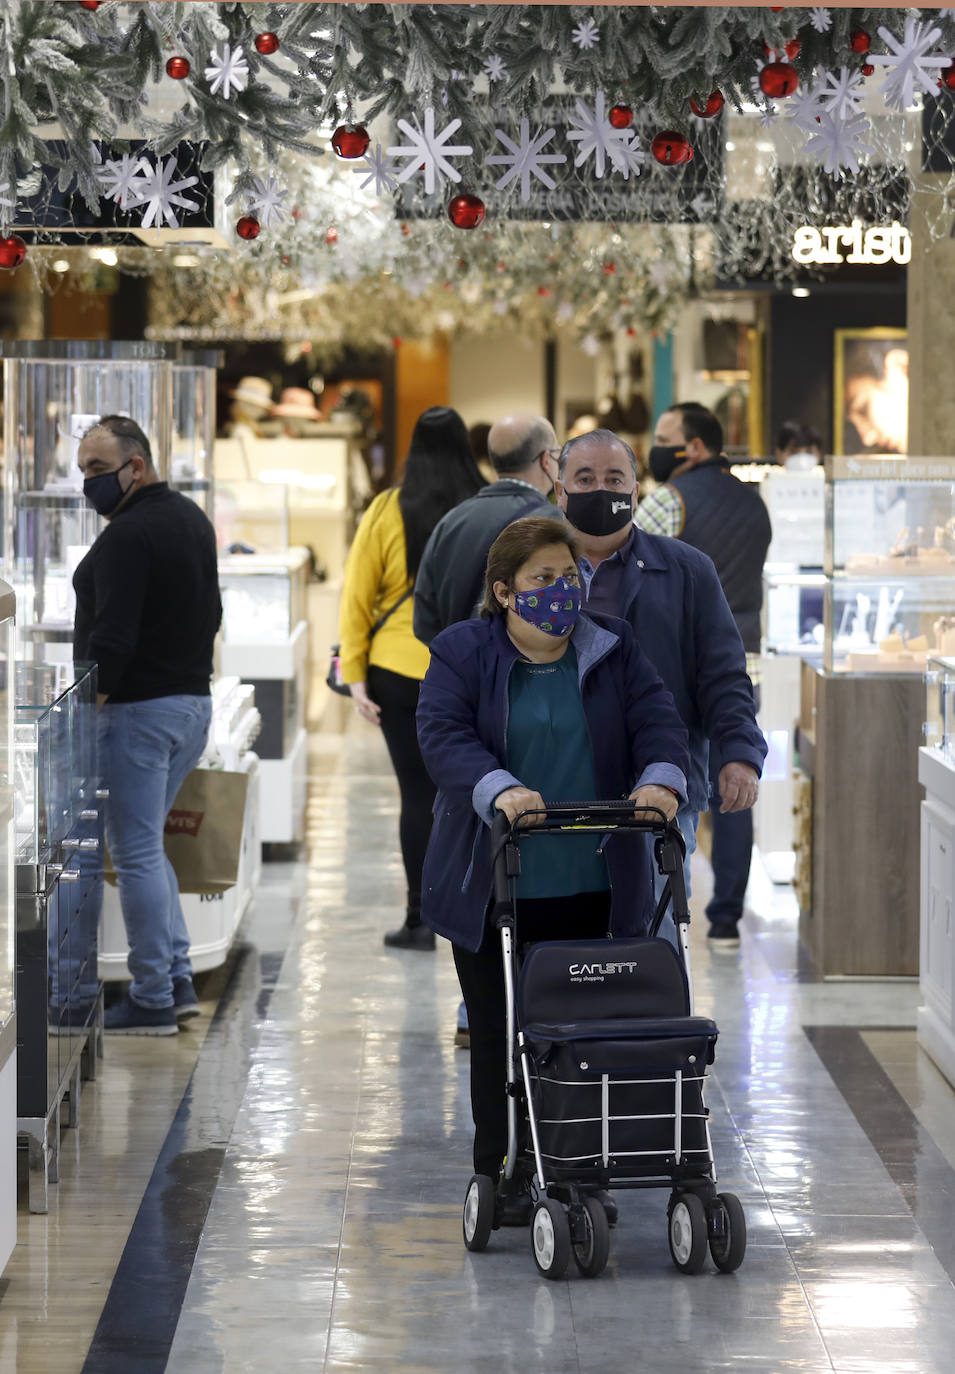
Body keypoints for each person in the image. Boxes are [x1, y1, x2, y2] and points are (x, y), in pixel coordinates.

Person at [416, 516, 689, 1216]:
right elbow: (443, 737)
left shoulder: (613, 648)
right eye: (542, 580)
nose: (561, 592)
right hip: (495, 881)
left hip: (595, 880)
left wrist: (659, 777)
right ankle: (501, 1168)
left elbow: (658, 721)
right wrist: (500, 790)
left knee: (587, 1034)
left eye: (569, 577)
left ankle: (581, 1160)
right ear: (504, 592)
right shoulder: (460, 653)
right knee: (499, 1032)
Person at [554, 428, 767, 948]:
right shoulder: (528, 569)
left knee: (657, 927)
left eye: (613, 478)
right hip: (553, 783)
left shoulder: (686, 569)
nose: (599, 490)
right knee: (554, 920)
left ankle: (656, 1026)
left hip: (660, 781)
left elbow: (722, 672)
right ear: (559, 490)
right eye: (584, 479)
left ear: (635, 488)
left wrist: (738, 752)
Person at [414, 412, 562, 1047]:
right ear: (547, 460)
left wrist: (458, 662)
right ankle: (539, 1012)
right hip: (533, 724)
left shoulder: (453, 520)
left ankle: (477, 1007)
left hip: (464, 722)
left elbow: (423, 616)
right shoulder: (549, 531)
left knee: (476, 862)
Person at [74, 415, 222, 1035]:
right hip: (189, 705)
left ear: (137, 466)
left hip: (140, 712)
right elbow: (212, 611)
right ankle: (178, 979)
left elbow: (113, 638)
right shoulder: (190, 518)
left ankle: (153, 996)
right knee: (147, 847)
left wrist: (91, 709)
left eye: (99, 470)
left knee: (132, 851)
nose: (90, 484)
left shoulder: (129, 535)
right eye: (83, 471)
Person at [337, 405, 486, 950]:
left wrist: (354, 675)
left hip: (399, 668)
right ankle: (480, 913)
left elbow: (358, 594)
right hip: (473, 667)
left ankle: (420, 919)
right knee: (477, 792)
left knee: (416, 795)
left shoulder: (386, 508)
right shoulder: (483, 508)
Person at [637, 404, 772, 946]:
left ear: (693, 447)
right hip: (745, 660)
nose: (657, 446)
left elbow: (630, 560)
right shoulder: (755, 502)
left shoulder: (670, 500)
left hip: (680, 666)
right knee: (735, 784)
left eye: (664, 438)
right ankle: (726, 917)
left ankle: (666, 908)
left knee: (683, 785)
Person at [414, 413, 562, 646]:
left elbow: (423, 622)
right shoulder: (553, 524)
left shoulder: (451, 520)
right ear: (546, 460)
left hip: (460, 673)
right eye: (557, 455)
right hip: (527, 675)